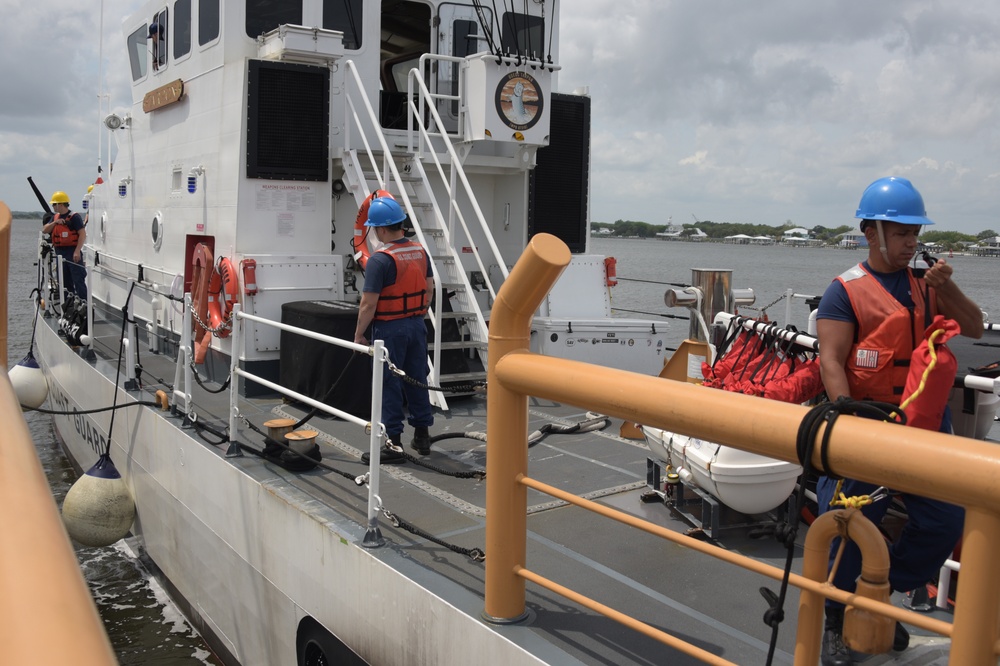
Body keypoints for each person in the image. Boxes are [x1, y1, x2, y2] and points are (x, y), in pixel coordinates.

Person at [814, 176, 983, 665]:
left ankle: (882, 592)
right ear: (872, 233)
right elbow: (831, 361)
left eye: (916, 233)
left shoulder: (927, 286)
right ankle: (835, 617)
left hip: (922, 427)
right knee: (848, 524)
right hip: (864, 426)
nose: (912, 242)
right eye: (902, 232)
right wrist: (848, 427)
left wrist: (947, 289)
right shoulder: (844, 291)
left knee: (945, 518)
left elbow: (972, 327)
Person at [353, 197, 434, 463]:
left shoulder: (380, 260)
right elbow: (430, 288)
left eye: (374, 228)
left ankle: (393, 444)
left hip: (390, 328)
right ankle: (422, 436)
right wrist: (418, 313)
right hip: (416, 324)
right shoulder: (421, 252)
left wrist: (358, 334)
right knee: (417, 378)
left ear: (381, 229)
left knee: (390, 384)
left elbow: (368, 304)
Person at [41, 190, 88, 300]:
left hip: (72, 252)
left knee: (78, 280)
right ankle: (69, 306)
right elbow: (44, 230)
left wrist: (77, 251)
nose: (53, 206)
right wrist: (54, 223)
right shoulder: (56, 217)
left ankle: (84, 305)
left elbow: (82, 234)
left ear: (60, 204)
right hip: (60, 253)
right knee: (64, 281)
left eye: (54, 204)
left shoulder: (74, 217)